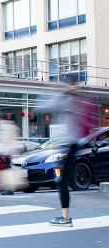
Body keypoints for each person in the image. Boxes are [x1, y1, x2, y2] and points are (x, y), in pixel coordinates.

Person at [38, 76, 97, 227]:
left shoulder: (70, 100)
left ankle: (66, 218)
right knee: (62, 180)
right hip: (74, 145)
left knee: (61, 180)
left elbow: (45, 107)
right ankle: (65, 217)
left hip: (72, 145)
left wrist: (61, 93)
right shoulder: (79, 100)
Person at [0, 114, 21, 196]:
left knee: (7, 170)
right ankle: (9, 188)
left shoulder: (4, 127)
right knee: (8, 170)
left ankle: (9, 188)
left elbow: (3, 141)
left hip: (7, 152)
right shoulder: (12, 127)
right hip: (10, 152)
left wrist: (1, 152)